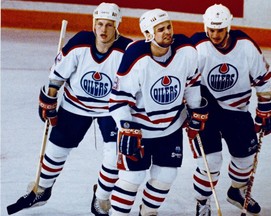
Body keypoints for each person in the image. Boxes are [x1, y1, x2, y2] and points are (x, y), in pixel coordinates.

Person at [7, 3, 132, 216]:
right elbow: (57, 76)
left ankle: (101, 197)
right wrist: (49, 98)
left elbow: (137, 82)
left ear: (117, 26)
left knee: (114, 156)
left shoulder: (127, 50)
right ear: (94, 24)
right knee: (55, 149)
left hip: (111, 109)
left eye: (109, 25)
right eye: (99, 24)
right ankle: (42, 190)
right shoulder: (80, 43)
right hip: (76, 105)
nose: (103, 30)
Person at [108, 8, 208, 216]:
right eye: (160, 29)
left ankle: (148, 212)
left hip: (170, 127)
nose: (167, 32)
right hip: (139, 129)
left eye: (168, 27)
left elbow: (192, 84)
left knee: (166, 175)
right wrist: (125, 127)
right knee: (131, 179)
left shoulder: (186, 50)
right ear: (148, 34)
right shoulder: (136, 57)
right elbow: (118, 100)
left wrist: (196, 109)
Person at [189, 4, 271, 216]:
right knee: (211, 162)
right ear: (205, 26)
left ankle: (236, 191)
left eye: (219, 30)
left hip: (237, 111)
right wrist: (190, 110)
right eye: (211, 29)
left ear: (228, 27)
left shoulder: (245, 45)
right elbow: (184, 82)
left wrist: (267, 108)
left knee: (246, 159)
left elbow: (263, 81)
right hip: (207, 112)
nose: (215, 34)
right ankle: (202, 201)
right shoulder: (197, 47)